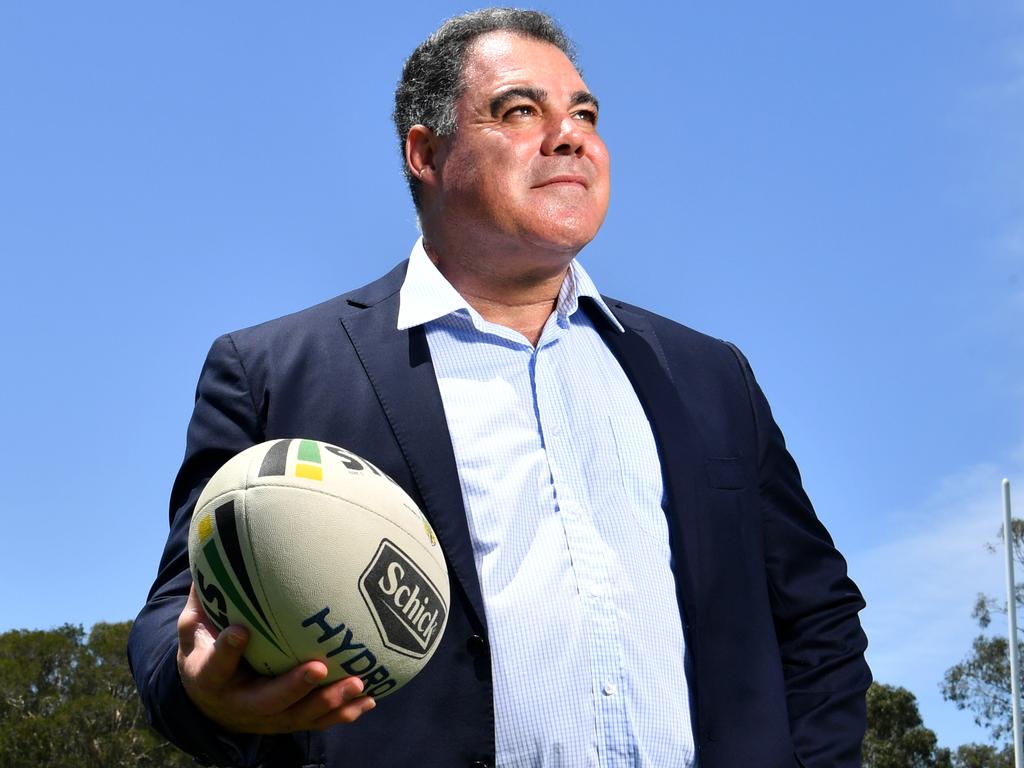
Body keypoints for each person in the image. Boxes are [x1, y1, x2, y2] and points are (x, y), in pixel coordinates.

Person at [128, 8, 871, 768]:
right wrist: (199, 692)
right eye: (521, 110)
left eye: (584, 113)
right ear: (426, 152)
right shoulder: (276, 370)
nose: (571, 134)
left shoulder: (711, 375)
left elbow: (817, 618)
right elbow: (176, 613)